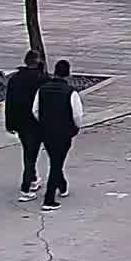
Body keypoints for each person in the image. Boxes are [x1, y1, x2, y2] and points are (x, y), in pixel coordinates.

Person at [32, 59, 83, 211]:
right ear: (68, 73)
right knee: (56, 163)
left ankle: (62, 185)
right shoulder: (71, 92)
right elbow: (77, 115)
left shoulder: (42, 89)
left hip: (46, 131)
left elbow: (35, 110)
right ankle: (49, 199)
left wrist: (44, 122)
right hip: (64, 132)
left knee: (54, 160)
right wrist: (75, 128)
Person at [4, 51, 46, 202]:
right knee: (32, 155)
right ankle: (26, 186)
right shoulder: (42, 79)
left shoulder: (15, 79)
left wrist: (9, 123)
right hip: (37, 123)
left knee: (28, 153)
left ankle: (33, 178)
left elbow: (9, 102)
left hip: (21, 122)